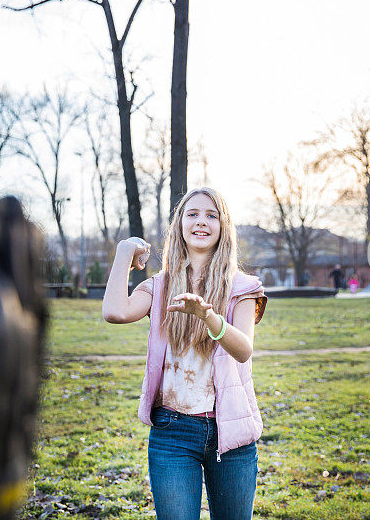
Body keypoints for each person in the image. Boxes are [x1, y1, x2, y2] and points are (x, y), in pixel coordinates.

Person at [102, 187, 267, 520]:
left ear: (224, 226)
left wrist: (208, 316)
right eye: (192, 214)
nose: (201, 222)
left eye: (211, 215)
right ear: (179, 224)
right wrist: (124, 253)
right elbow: (115, 312)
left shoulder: (243, 287)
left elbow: (244, 349)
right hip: (172, 433)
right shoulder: (160, 286)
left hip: (230, 430)